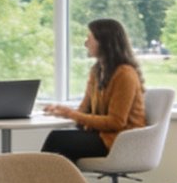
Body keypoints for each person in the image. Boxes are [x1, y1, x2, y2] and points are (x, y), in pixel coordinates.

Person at [42, 18, 146, 162]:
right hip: (102, 136)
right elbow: (84, 110)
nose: (85, 44)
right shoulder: (97, 71)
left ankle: (35, 177)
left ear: (104, 42)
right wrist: (62, 111)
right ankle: (47, 177)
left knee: (57, 140)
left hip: (121, 141)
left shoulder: (125, 74)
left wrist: (71, 114)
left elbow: (116, 122)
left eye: (89, 39)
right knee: (62, 147)